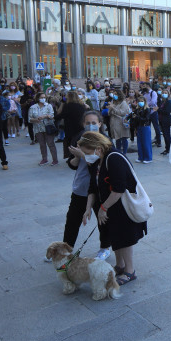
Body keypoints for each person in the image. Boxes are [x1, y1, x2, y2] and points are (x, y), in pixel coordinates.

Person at [82, 131, 146, 286]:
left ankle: (130, 272)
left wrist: (103, 208)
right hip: (110, 206)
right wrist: (88, 208)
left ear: (97, 147)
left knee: (124, 238)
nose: (86, 156)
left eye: (87, 152)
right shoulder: (98, 160)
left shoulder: (114, 157)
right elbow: (93, 187)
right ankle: (120, 266)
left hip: (121, 206)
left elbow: (119, 188)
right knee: (115, 236)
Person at [61, 111, 111, 259]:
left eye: (94, 123)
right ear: (83, 124)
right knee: (72, 220)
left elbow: (100, 164)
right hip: (81, 187)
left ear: (100, 124)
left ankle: (105, 248)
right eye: (88, 123)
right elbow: (72, 164)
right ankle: (66, 249)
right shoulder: (79, 138)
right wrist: (76, 158)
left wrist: (83, 155)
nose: (91, 125)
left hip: (98, 188)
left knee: (102, 220)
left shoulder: (105, 141)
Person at [29, 91, 58, 165]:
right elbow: (29, 119)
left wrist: (45, 116)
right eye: (41, 97)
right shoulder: (33, 107)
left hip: (48, 127)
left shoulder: (49, 106)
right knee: (42, 145)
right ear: (38, 98)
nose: (43, 99)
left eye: (44, 97)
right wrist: (36, 120)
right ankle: (44, 159)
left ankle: (55, 160)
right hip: (38, 128)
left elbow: (52, 116)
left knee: (51, 144)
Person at [131, 95, 152, 164]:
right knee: (139, 143)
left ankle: (148, 158)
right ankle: (141, 157)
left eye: (142, 101)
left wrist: (137, 117)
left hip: (145, 127)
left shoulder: (147, 109)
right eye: (139, 101)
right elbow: (133, 116)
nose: (140, 102)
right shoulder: (137, 110)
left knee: (146, 143)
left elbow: (146, 119)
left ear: (145, 102)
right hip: (139, 127)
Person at [157, 89, 171, 155]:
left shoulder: (169, 102)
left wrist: (158, 109)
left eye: (165, 93)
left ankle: (169, 149)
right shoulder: (163, 101)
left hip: (166, 121)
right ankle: (167, 148)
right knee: (165, 135)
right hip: (162, 120)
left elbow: (167, 112)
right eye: (163, 93)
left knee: (167, 135)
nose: (164, 94)